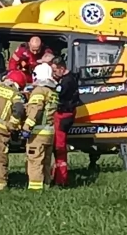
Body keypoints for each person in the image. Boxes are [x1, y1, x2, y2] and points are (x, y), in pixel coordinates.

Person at [20, 63, 59, 190]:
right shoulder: (52, 92)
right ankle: (46, 185)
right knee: (46, 162)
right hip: (49, 133)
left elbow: (36, 110)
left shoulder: (39, 91)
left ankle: (35, 189)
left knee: (35, 161)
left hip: (38, 133)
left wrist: (26, 128)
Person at [50, 56, 79, 187]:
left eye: (55, 70)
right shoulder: (71, 78)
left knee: (59, 148)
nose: (53, 73)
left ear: (62, 68)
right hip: (68, 114)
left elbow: (58, 95)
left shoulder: (66, 82)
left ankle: (61, 180)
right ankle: (57, 175)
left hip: (63, 115)